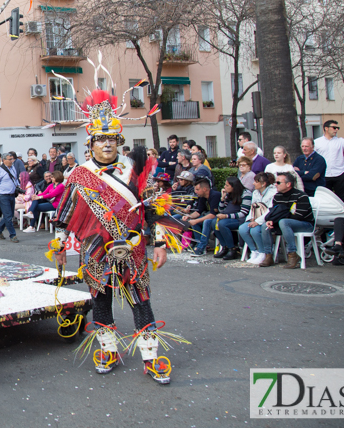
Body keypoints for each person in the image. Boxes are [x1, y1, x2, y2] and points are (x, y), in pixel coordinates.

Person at [52, 84, 181, 385]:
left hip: (132, 247)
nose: (107, 145)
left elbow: (155, 209)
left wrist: (160, 243)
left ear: (119, 140)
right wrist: (58, 244)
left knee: (141, 298)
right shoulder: (80, 175)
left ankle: (150, 356)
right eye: (101, 139)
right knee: (100, 298)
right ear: (91, 143)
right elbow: (65, 213)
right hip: (95, 248)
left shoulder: (134, 170)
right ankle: (108, 349)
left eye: (112, 139)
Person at [265, 172, 314, 269]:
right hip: (286, 222)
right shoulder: (277, 196)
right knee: (265, 225)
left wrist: (278, 219)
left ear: (288, 184)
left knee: (283, 222)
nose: (275, 184)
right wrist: (271, 220)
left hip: (305, 224)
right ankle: (268, 255)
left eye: (278, 183)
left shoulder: (301, 196)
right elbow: (274, 212)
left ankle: (292, 254)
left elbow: (299, 216)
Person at [239, 173, 278, 265]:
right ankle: (254, 251)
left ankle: (262, 252)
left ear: (263, 183)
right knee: (242, 229)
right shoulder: (255, 192)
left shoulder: (273, 193)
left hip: (265, 219)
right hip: (255, 218)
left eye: (256, 181)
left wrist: (257, 221)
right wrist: (250, 219)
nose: (253, 183)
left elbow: (269, 211)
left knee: (254, 231)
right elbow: (252, 208)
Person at [212, 177, 251, 260]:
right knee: (213, 222)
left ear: (234, 186)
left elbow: (244, 213)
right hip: (228, 217)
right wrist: (222, 198)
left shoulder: (246, 194)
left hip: (239, 219)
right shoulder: (229, 194)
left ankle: (232, 249)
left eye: (227, 185)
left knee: (222, 224)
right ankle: (224, 246)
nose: (225, 187)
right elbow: (221, 210)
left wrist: (226, 216)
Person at [187, 177, 222, 257]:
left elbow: (213, 214)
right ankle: (199, 244)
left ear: (205, 189)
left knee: (206, 221)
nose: (196, 192)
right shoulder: (202, 197)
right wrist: (189, 217)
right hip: (208, 215)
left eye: (197, 189)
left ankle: (201, 247)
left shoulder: (215, 195)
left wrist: (196, 220)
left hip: (218, 217)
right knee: (194, 222)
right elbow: (198, 212)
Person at [0, 152, 21, 243]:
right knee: (8, 215)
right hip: (3, 195)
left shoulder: (13, 168)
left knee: (10, 214)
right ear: (4, 160)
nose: (12, 161)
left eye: (12, 159)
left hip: (11, 194)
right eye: (10, 159)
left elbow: (15, 179)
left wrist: (18, 186)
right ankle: (13, 235)